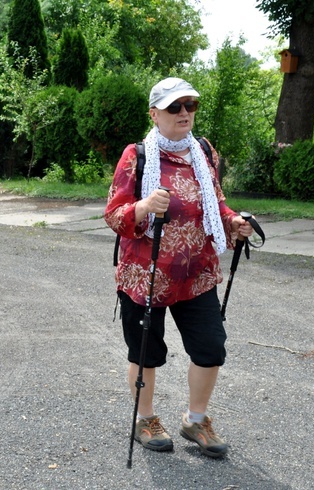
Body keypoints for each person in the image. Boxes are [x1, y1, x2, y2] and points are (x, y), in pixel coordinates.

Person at [104, 77, 253, 458]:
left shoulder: (204, 152)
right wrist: (141, 207)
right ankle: (146, 419)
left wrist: (233, 221)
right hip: (145, 275)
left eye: (190, 105)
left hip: (196, 274)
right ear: (155, 114)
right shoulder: (136, 156)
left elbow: (216, 202)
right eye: (175, 107)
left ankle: (196, 420)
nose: (184, 113)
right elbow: (113, 215)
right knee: (146, 352)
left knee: (210, 347)